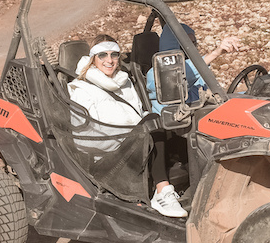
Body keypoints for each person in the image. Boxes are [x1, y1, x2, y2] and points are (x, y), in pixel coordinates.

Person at [68, 34, 187, 218]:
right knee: (151, 124)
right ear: (93, 59)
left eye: (114, 55)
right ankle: (162, 193)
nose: (109, 60)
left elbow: (137, 114)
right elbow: (81, 137)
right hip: (109, 152)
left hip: (134, 141)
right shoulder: (81, 89)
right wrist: (127, 136)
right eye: (102, 55)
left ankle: (194, 183)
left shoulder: (124, 81)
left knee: (170, 121)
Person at [146, 23, 241, 113]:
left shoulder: (198, 72)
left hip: (200, 118)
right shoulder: (154, 74)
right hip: (175, 125)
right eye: (186, 45)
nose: (191, 49)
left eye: (193, 44)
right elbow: (177, 76)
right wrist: (215, 53)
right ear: (173, 45)